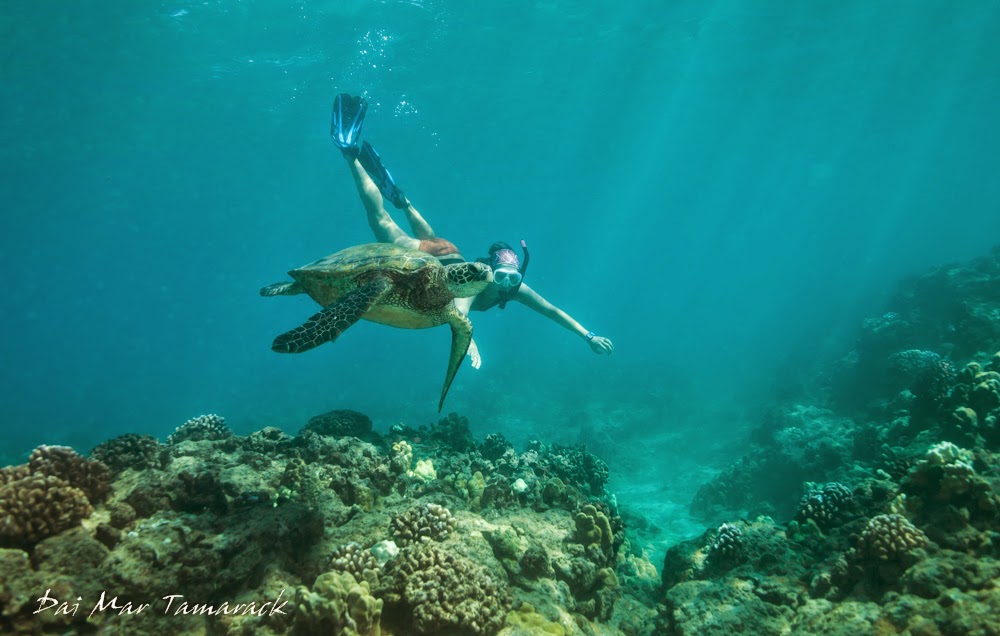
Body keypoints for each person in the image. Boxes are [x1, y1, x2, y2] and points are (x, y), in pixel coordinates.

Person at [329, 93, 614, 368]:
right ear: (488, 270)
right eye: (501, 276)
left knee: (428, 237)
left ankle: (403, 201)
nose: (505, 284)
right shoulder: (476, 285)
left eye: (512, 278)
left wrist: (588, 335)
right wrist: (470, 344)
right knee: (380, 221)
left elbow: (552, 311)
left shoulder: (515, 288)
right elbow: (459, 314)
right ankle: (349, 154)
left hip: (448, 251)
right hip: (428, 257)